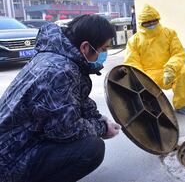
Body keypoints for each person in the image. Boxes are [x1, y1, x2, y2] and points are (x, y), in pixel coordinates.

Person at [0, 15, 121, 182]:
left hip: (14, 144)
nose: (104, 54)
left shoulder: (55, 56)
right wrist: (101, 128)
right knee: (92, 149)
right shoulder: (60, 71)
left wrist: (99, 118)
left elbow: (76, 98)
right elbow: (65, 130)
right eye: (103, 49)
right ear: (85, 47)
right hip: (9, 160)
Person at [124, 4, 185, 116]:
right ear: (141, 23)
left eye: (153, 21)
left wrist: (171, 68)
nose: (151, 24)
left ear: (158, 19)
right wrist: (141, 77)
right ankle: (150, 108)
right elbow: (132, 62)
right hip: (148, 75)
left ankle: (181, 105)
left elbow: (178, 53)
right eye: (147, 22)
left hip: (167, 71)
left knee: (184, 72)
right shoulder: (134, 40)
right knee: (136, 79)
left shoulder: (169, 33)